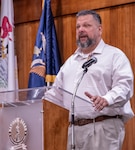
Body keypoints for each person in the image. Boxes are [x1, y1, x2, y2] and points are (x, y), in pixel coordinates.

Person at [44, 10, 134, 150]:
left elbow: (125, 87)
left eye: (86, 25)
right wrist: (35, 104)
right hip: (72, 131)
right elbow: (55, 95)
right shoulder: (70, 63)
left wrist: (106, 99)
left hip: (101, 127)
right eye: (78, 27)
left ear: (100, 29)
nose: (81, 30)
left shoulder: (114, 56)